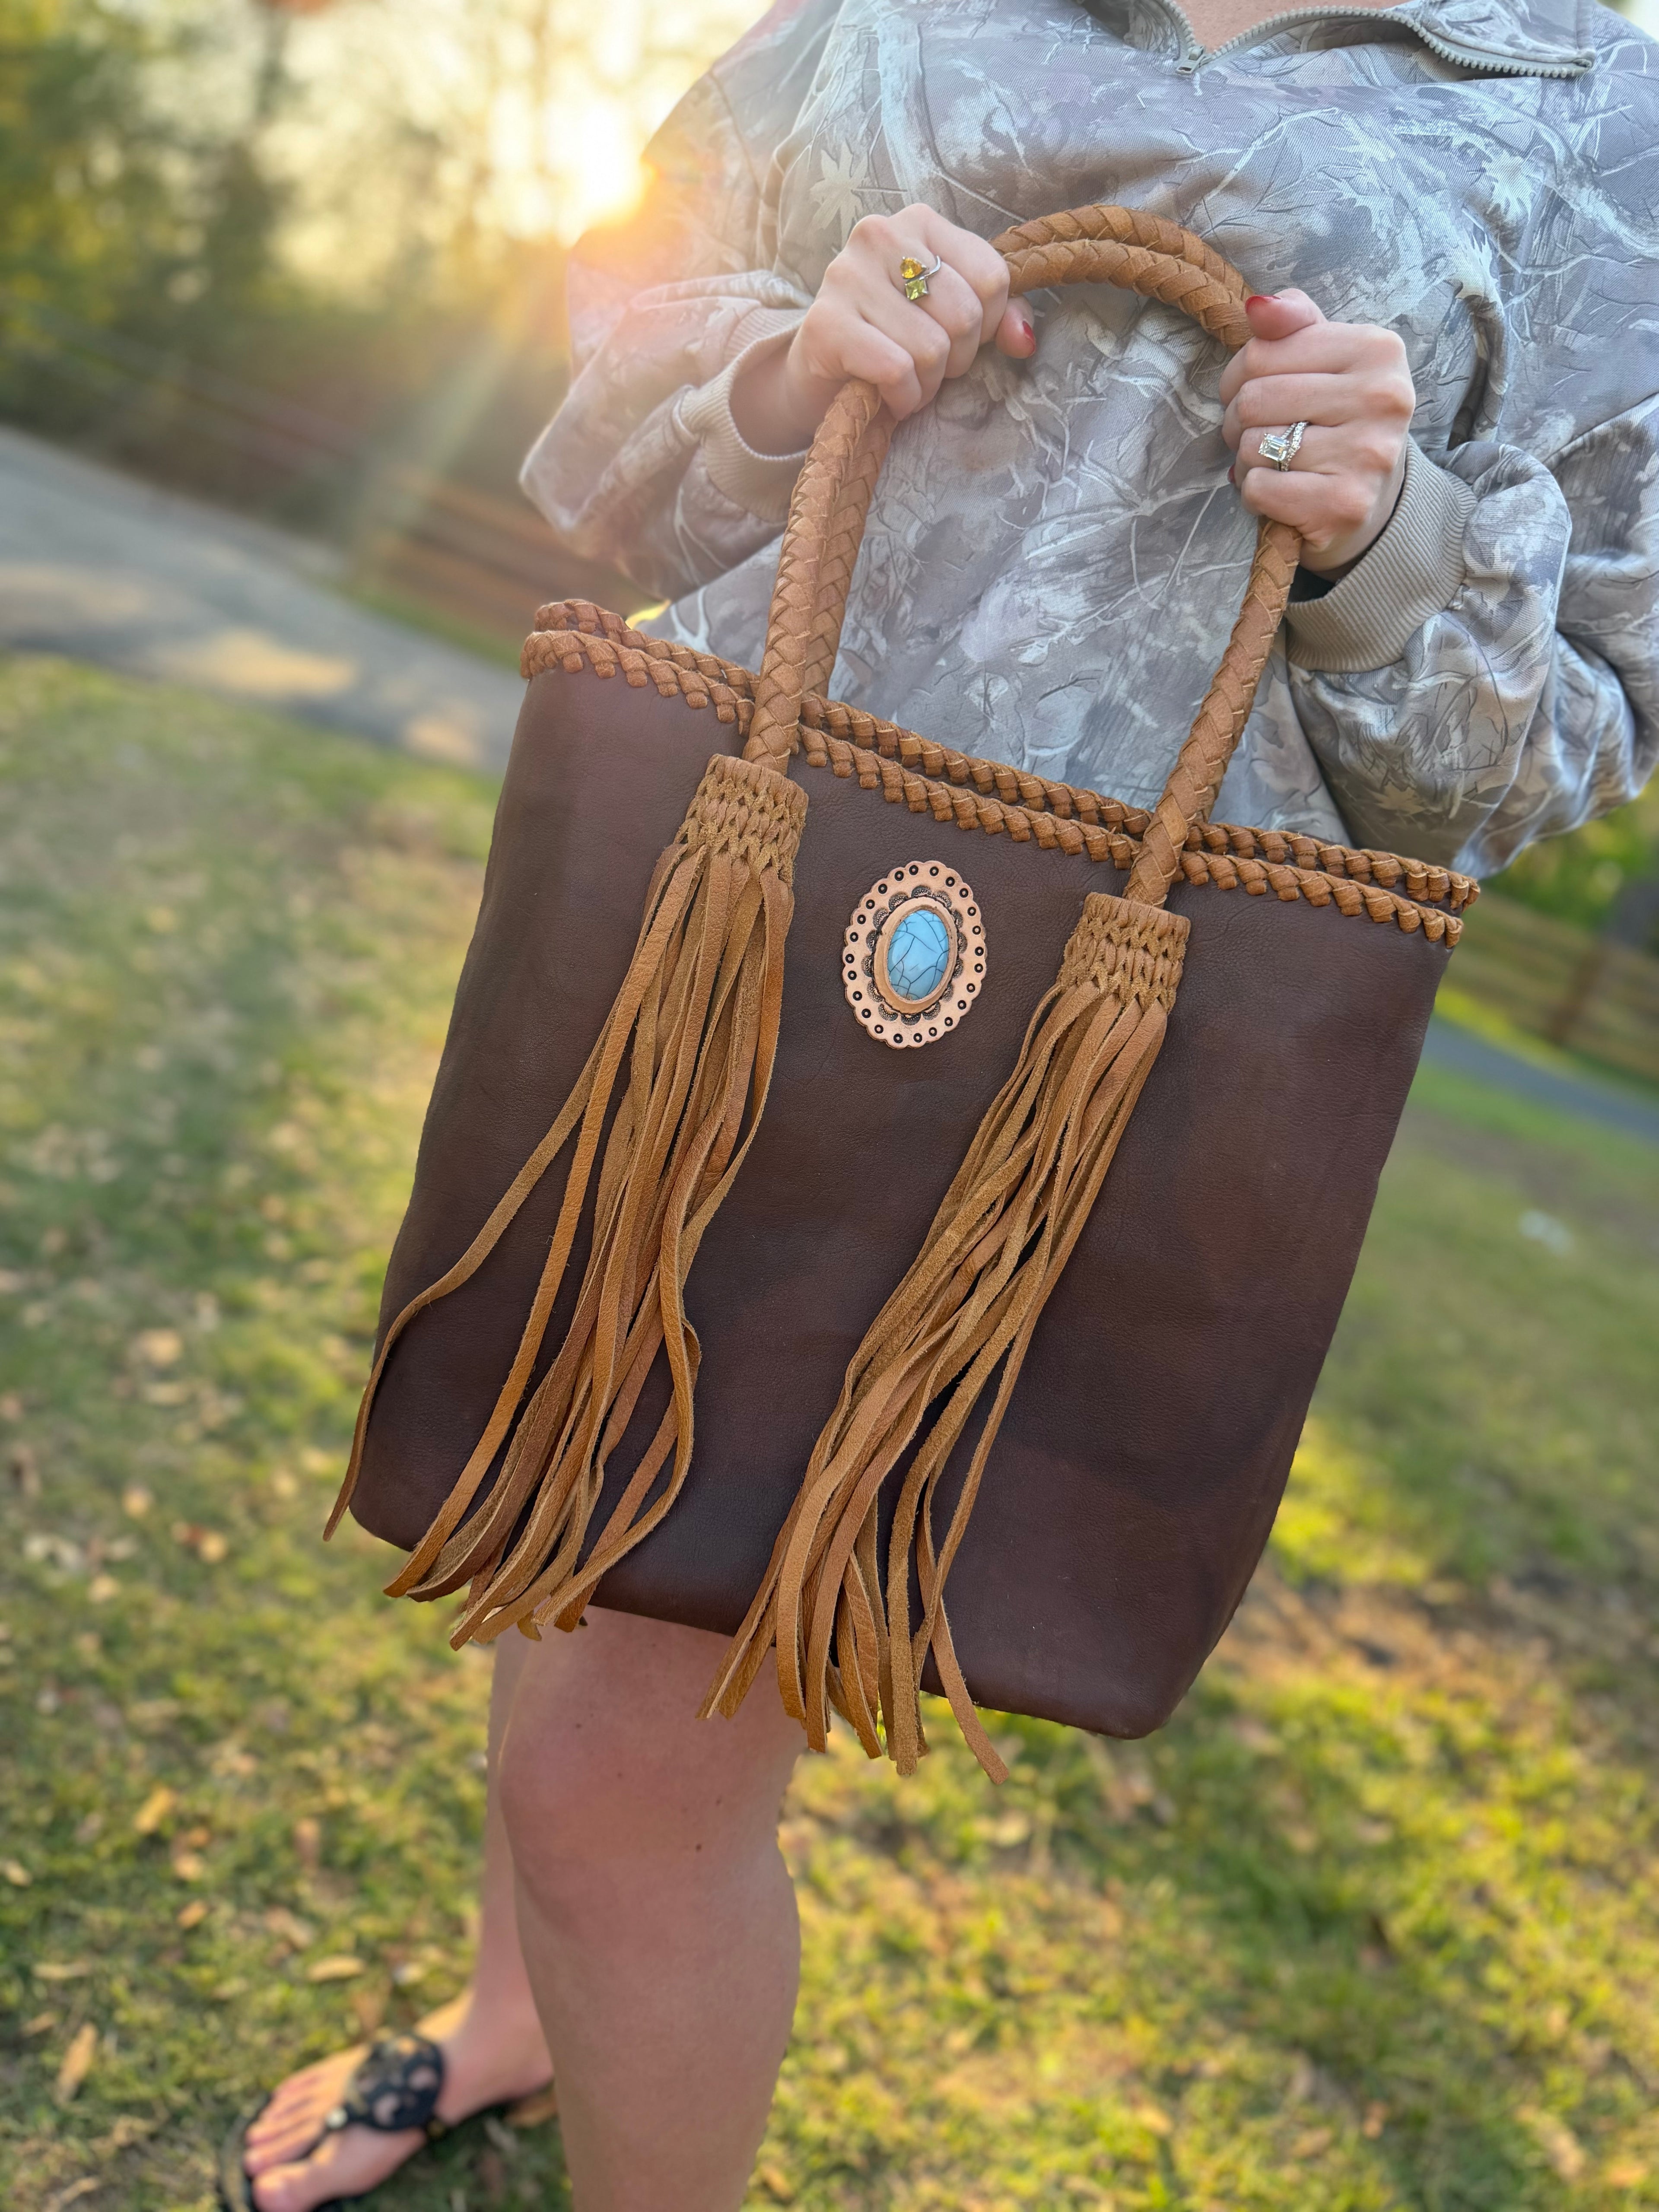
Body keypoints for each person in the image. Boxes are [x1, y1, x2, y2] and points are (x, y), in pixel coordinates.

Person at [232, 0, 1659, 2206]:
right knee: (567, 1499)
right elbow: (604, 382)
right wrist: (789, 362)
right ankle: (523, 2019)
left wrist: (1396, 552)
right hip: (716, 898)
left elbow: (1573, 736)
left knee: (622, 1751)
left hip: (1091, 1052)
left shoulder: (1606, 116)